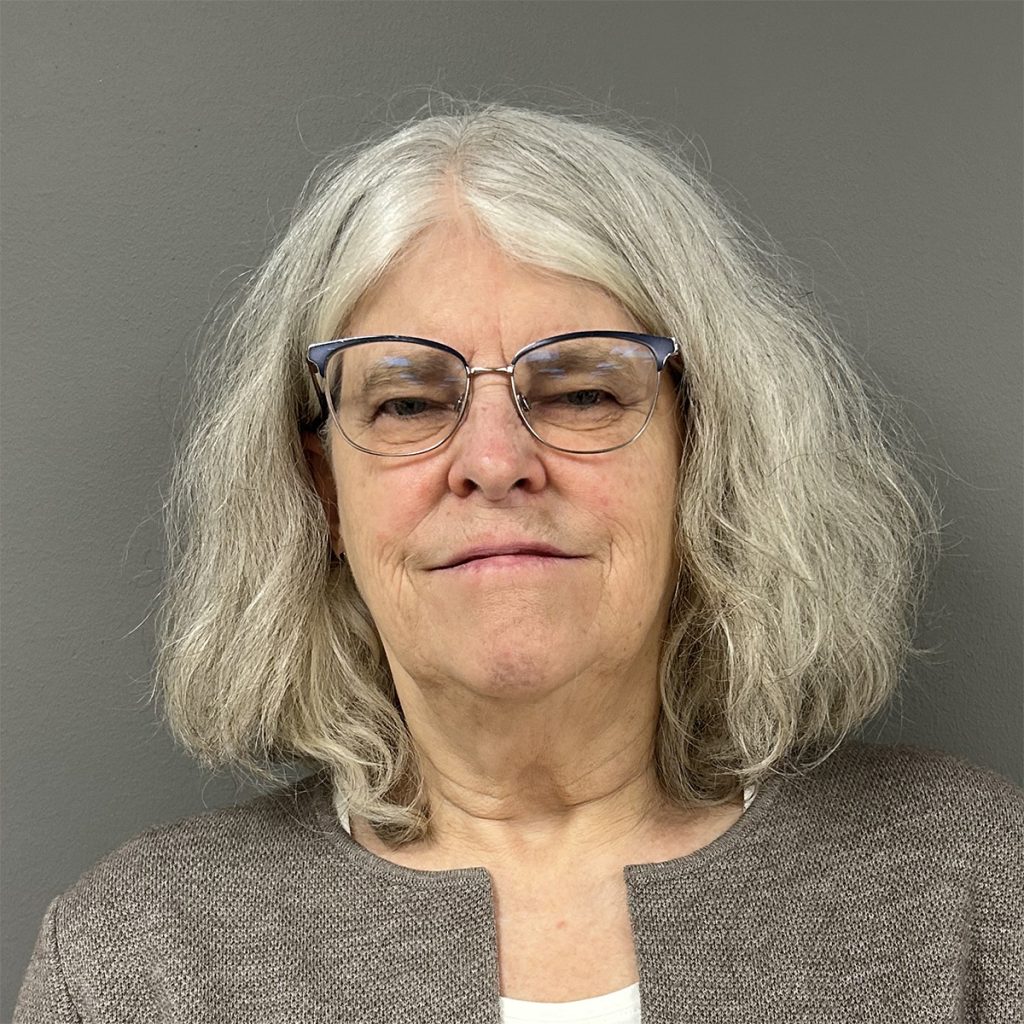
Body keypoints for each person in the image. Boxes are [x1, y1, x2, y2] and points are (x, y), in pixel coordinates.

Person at [15, 103, 1022, 1024]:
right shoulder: (136, 964)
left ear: (703, 460)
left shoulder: (971, 895)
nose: (495, 462)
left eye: (583, 393)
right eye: (407, 403)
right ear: (323, 493)